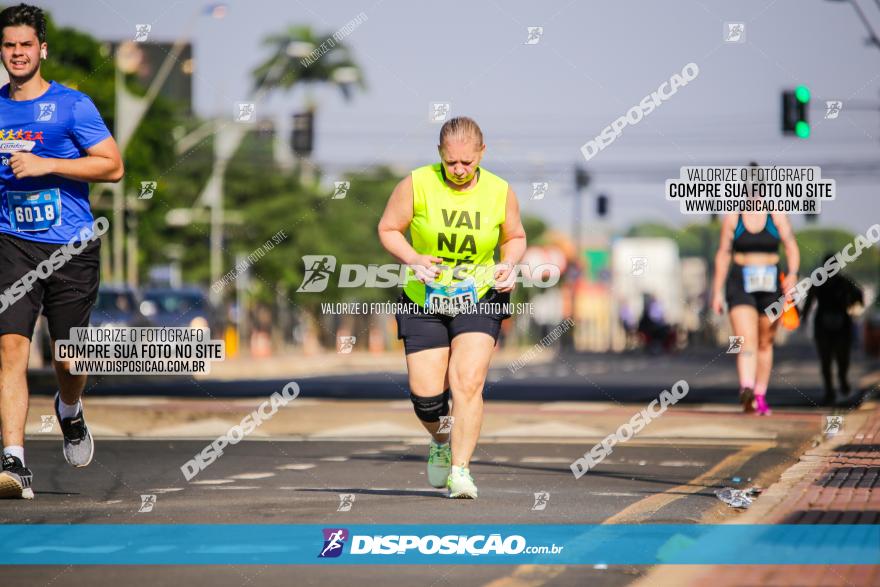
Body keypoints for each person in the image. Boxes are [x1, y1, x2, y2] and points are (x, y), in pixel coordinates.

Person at [0, 4, 124, 499]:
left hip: (71, 246)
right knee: (10, 348)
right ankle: (13, 461)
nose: (17, 53)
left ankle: (69, 409)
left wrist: (46, 164)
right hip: (12, 243)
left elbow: (111, 166)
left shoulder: (73, 105)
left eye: (25, 45)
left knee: (69, 358)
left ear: (41, 50)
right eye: (9, 45)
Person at [378, 116, 526, 499]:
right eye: (451, 162)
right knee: (427, 399)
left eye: (467, 162)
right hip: (423, 299)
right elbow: (388, 228)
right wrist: (413, 258)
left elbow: (515, 236)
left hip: (478, 295)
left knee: (468, 382)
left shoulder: (499, 191)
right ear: (439, 155)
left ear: (482, 154)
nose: (459, 170)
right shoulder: (416, 184)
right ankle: (441, 440)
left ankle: (460, 471)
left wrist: (508, 265)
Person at [710, 166, 799, 415]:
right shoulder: (733, 217)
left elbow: (791, 247)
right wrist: (716, 291)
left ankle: (760, 394)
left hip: (771, 283)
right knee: (745, 339)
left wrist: (792, 275)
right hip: (741, 282)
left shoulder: (776, 215)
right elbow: (723, 254)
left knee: (765, 341)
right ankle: (746, 390)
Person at [801, 251, 864, 405]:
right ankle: (833, 387)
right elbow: (859, 298)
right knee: (831, 359)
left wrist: (803, 317)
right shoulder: (837, 282)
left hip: (834, 324)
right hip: (830, 325)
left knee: (831, 359)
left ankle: (837, 384)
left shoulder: (842, 282)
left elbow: (858, 296)